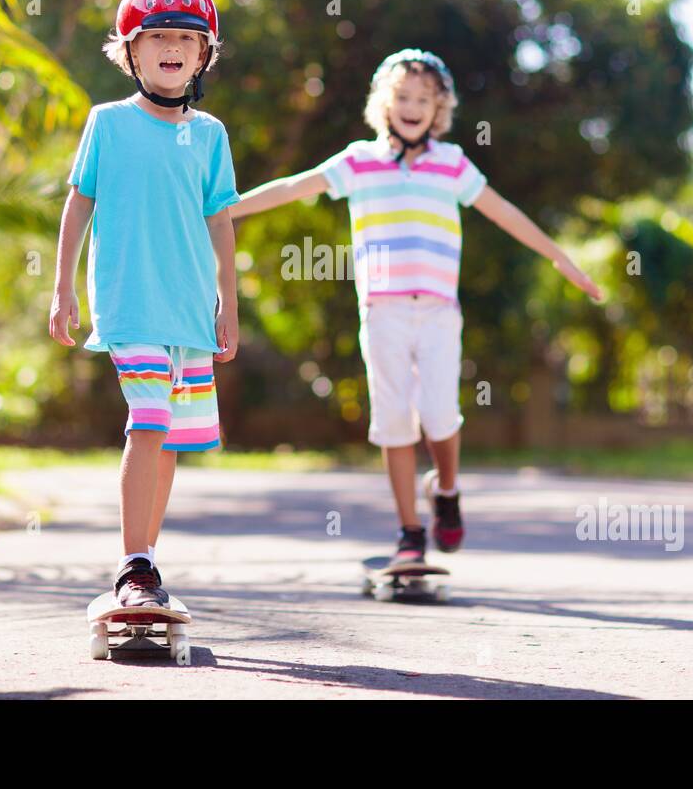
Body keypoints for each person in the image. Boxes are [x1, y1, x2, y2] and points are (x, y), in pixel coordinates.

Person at [231, 49, 603, 565]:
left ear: (438, 110)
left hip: (436, 312)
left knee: (438, 416)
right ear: (384, 103)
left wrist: (562, 259)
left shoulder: (451, 165)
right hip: (381, 312)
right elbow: (296, 186)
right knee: (394, 421)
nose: (412, 107)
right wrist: (224, 208)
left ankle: (445, 490)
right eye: (403, 97)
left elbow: (505, 213)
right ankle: (410, 532)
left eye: (423, 100)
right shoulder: (358, 161)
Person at [50, 0, 240, 608]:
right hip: (129, 304)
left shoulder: (210, 134)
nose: (172, 47)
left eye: (187, 38)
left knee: (171, 438)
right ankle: (133, 567)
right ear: (130, 50)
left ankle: (147, 563)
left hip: (189, 310)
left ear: (204, 55)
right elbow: (79, 204)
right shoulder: (107, 124)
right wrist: (63, 289)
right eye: (157, 36)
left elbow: (220, 220)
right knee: (150, 420)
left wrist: (229, 303)